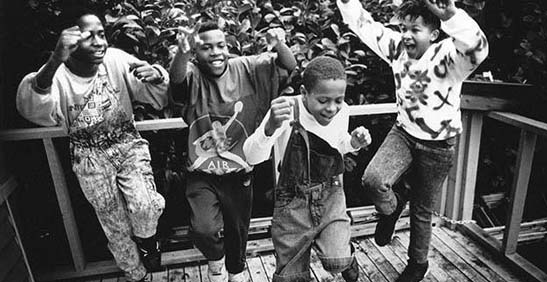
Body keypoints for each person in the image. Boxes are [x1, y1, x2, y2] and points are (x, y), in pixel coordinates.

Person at [337, 0, 489, 281]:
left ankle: (417, 264)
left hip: (439, 145)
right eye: (403, 28)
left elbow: (478, 48)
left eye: (414, 29)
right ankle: (392, 209)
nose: (406, 34)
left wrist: (452, 16)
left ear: (433, 33)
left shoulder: (449, 57)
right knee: (373, 179)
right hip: (404, 133)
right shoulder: (397, 48)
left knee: (422, 208)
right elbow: (365, 26)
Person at [16, 7, 169, 282]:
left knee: (146, 206)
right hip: (89, 156)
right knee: (116, 227)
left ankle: (148, 242)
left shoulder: (116, 59)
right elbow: (31, 107)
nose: (99, 42)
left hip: (127, 143)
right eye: (90, 36)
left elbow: (156, 91)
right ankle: (137, 275)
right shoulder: (57, 74)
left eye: (102, 34)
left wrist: (156, 73)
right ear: (70, 40)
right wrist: (54, 59)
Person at [169, 21, 296, 282]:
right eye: (206, 48)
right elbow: (176, 80)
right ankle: (216, 263)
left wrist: (280, 43)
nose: (215, 52)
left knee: (238, 231)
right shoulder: (193, 74)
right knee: (203, 229)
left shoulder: (247, 68)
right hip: (202, 173)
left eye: (221, 45)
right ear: (196, 52)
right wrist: (181, 52)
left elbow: (288, 65)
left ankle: (236, 272)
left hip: (239, 172)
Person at [243, 56, 372, 282]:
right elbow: (251, 156)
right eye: (323, 100)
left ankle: (347, 256)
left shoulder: (343, 111)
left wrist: (353, 142)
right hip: (292, 202)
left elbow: (338, 144)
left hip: (331, 195)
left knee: (337, 262)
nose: (332, 108)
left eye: (338, 100)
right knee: (291, 278)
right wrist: (270, 127)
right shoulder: (285, 109)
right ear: (304, 93)